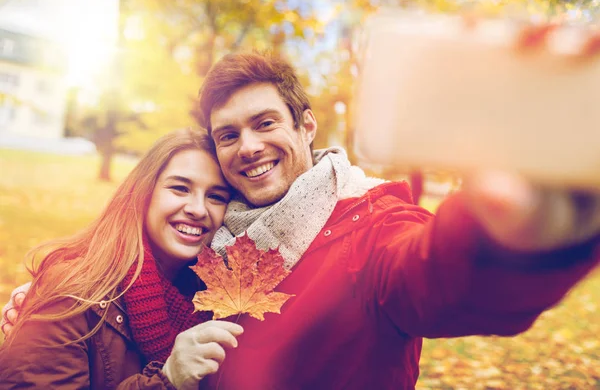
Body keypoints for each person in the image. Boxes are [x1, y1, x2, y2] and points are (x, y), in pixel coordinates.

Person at [4, 48, 600, 389]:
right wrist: (60, 289)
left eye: (266, 123)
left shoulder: (371, 228)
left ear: (306, 126)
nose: (249, 147)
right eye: (228, 135)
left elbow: (437, 277)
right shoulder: (220, 246)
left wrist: (516, 234)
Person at [0, 128, 243, 389]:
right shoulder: (73, 295)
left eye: (216, 197)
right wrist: (168, 380)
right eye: (180, 188)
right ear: (144, 193)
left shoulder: (219, 299)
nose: (197, 209)